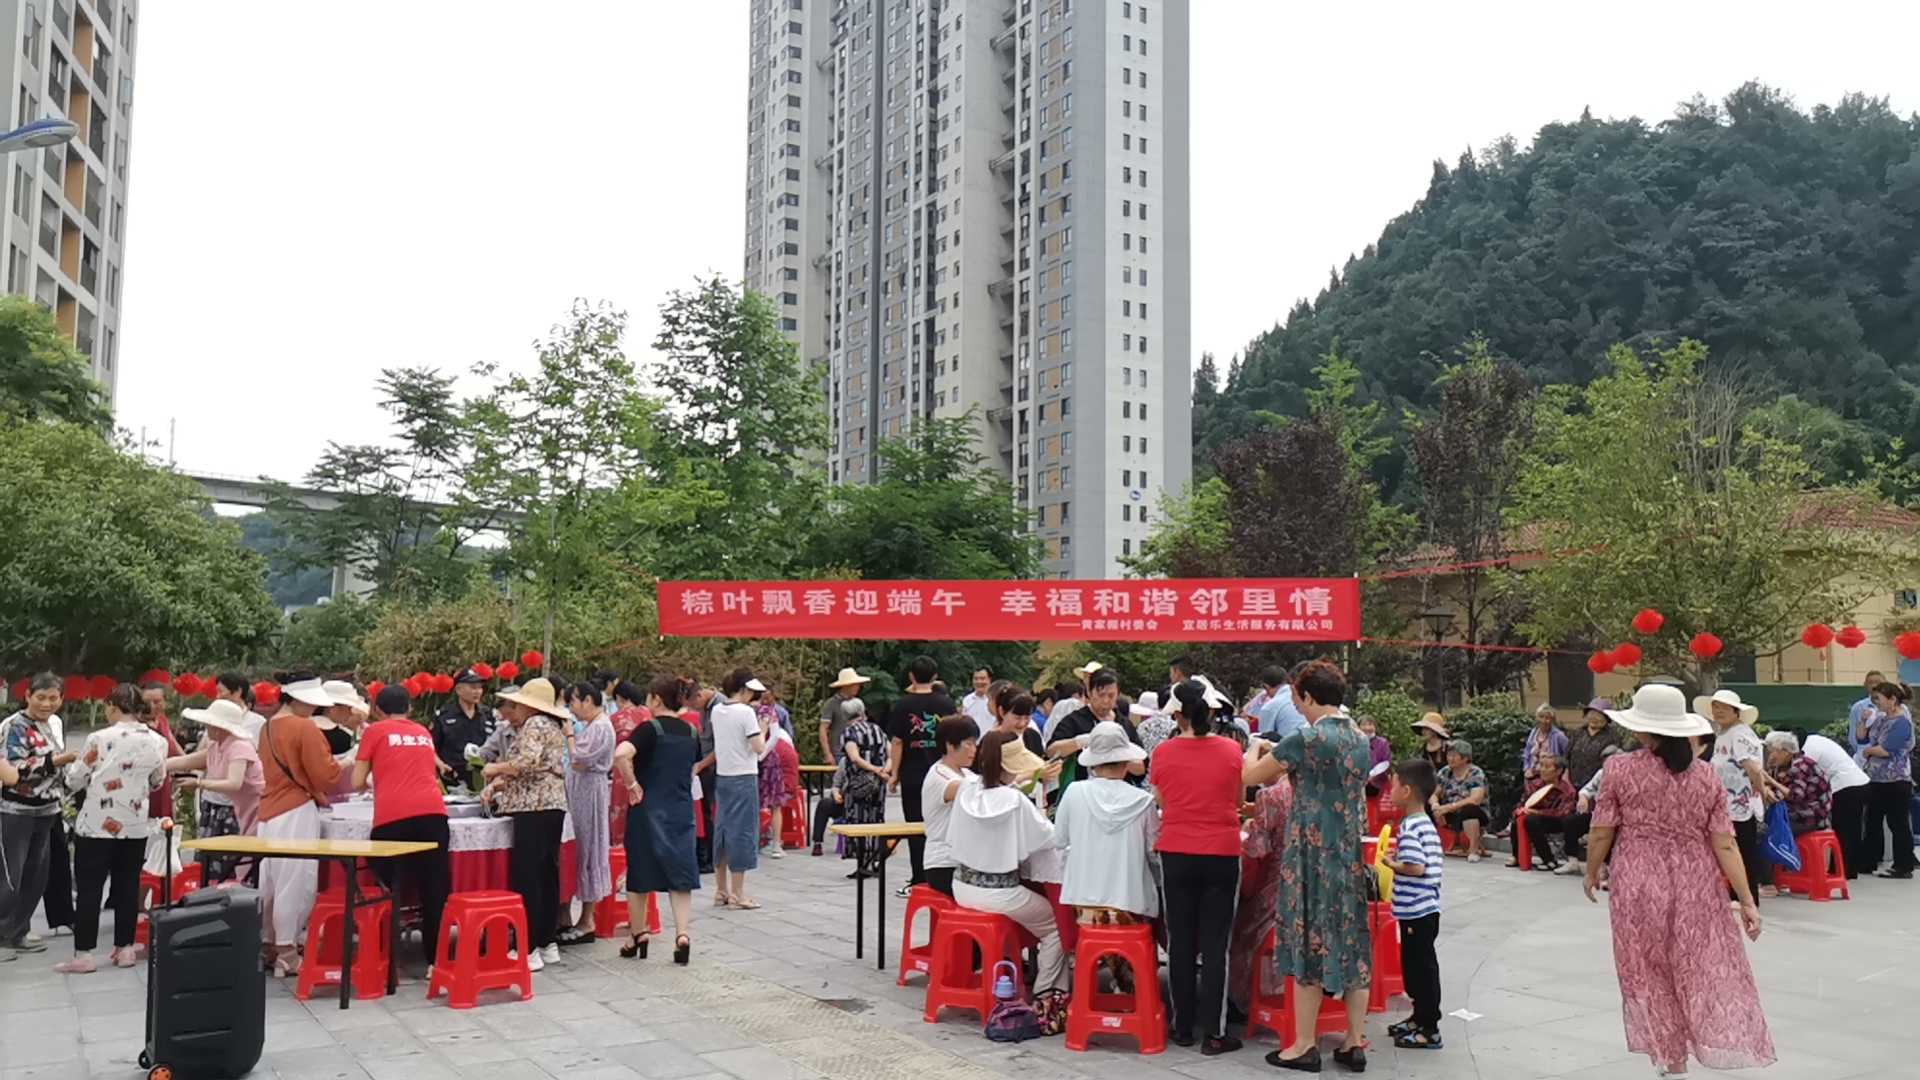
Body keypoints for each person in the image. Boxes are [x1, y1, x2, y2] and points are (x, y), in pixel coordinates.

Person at [1582, 684, 1773, 1076]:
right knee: (1693, 965)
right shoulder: (1706, 775)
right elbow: (1725, 844)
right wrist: (1746, 901)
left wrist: (1590, 872)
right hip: (1696, 881)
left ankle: (1671, 1056)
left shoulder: (1619, 768)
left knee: (1648, 967)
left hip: (1638, 879)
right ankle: (1688, 1046)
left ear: (1641, 728)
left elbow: (1601, 832)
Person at [1243, 661, 1373, 1073]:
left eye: (1298, 698)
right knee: (1352, 945)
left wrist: (1255, 747)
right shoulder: (1360, 738)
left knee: (1307, 947)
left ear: (1309, 696)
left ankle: (1303, 1045)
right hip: (1348, 855)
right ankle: (1353, 1042)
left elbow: (1252, 776)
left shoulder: (1306, 738)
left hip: (1309, 857)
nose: (1296, 705)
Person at [1146, 681, 1247, 1054]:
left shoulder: (1162, 752)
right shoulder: (1232, 749)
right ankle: (1216, 1033)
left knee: (1181, 941)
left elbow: (1161, 799)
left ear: (1177, 715)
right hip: (1221, 851)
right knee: (1217, 944)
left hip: (1176, 850)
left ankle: (1182, 1026)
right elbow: (1238, 800)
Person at [51, 684, 166, 974]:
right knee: (127, 886)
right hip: (135, 824)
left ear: (113, 706)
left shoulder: (99, 738)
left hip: (96, 824)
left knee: (90, 889)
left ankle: (83, 954)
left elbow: (75, 778)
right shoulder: (157, 741)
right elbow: (157, 780)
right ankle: (125, 948)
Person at [948, 731, 1068, 1001]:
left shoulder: (966, 788)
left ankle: (1015, 978)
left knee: (1028, 912)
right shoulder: (1015, 800)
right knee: (1056, 927)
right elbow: (1048, 838)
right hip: (1001, 893)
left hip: (962, 886)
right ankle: (1047, 994)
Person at [350, 685, 451, 967]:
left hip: (392, 817)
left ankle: (382, 957)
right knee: (433, 889)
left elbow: (357, 782)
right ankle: (435, 962)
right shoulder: (422, 732)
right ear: (409, 709)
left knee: (385, 888)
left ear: (376, 711)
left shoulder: (374, 731)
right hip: (433, 814)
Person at [481, 677, 571, 971]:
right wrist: (499, 784)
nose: (513, 711)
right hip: (553, 803)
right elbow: (540, 769)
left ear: (529, 706)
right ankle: (546, 942)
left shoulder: (534, 724)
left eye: (517, 705)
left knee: (528, 876)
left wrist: (494, 768)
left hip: (532, 808)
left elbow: (525, 763)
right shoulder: (554, 726)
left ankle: (527, 947)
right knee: (547, 875)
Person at [256, 677, 343, 975]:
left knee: (270, 879)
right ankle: (287, 949)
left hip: (269, 810)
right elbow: (324, 774)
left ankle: (268, 943)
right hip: (296, 807)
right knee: (296, 879)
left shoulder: (267, 726)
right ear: (300, 700)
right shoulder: (305, 727)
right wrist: (343, 764)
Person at [612, 675, 701, 965]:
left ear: (657, 700)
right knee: (681, 876)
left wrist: (632, 784)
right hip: (680, 810)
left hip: (648, 809)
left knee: (640, 873)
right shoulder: (691, 732)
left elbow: (621, 754)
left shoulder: (649, 729)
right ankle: (682, 934)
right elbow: (692, 767)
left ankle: (638, 934)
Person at [1054, 720, 1157, 919]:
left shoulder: (1074, 792)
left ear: (1093, 763)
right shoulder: (1143, 801)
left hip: (1082, 905)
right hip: (1131, 905)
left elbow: (1059, 840)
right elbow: (1153, 851)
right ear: (1126, 762)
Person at [167, 698, 264, 885]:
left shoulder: (240, 747)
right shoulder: (216, 746)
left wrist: (200, 783)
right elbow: (188, 761)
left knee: (244, 860)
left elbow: (234, 783)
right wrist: (160, 765)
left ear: (219, 727)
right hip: (242, 809)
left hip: (256, 809)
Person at [1384, 758, 1445, 1050]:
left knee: (1420, 970)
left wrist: (1392, 864)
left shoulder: (1409, 827)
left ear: (1406, 791)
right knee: (1416, 966)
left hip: (1417, 911)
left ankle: (1429, 1028)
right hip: (1425, 909)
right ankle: (1418, 1018)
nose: (1390, 791)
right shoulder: (1424, 822)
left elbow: (1416, 867)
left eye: (1393, 785)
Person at [1228, 758, 1294, 1025]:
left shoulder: (1271, 796)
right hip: (1313, 889)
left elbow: (1258, 849)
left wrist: (1251, 826)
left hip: (1278, 888)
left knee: (1238, 925)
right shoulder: (1319, 791)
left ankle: (1240, 998)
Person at [885, 656, 955, 895]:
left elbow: (897, 742)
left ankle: (918, 878)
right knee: (943, 826)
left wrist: (895, 773)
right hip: (943, 775)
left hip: (913, 774)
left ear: (911, 676)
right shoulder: (945, 704)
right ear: (935, 677)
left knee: (915, 827)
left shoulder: (903, 705)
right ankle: (942, 877)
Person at [1697, 689, 1774, 899]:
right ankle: (1736, 895)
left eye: (1725, 707)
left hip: (1741, 804)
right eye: (1716, 707)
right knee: (1734, 850)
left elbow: (1753, 768)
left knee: (1742, 852)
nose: (1719, 711)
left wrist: (1762, 791)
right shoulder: (1724, 733)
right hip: (1727, 804)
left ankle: (1746, 898)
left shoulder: (1740, 734)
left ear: (1736, 711)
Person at [557, 682, 615, 946]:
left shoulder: (601, 726)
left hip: (589, 792)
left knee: (589, 848)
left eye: (574, 702)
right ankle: (571, 917)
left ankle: (586, 920)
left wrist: (570, 735)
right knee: (579, 848)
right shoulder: (594, 725)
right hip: (581, 791)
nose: (572, 708)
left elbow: (579, 760)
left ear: (588, 700)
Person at [706, 669, 770, 908]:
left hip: (723, 776)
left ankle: (721, 890)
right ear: (743, 689)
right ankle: (738, 892)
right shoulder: (746, 713)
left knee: (722, 831)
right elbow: (758, 747)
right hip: (744, 776)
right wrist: (763, 729)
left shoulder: (717, 710)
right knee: (742, 833)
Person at [1855, 680, 1916, 879]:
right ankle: (1869, 860)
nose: (1877, 703)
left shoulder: (1902, 723)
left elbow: (1887, 750)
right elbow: (1862, 738)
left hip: (1895, 779)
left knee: (1897, 823)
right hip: (1876, 779)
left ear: (1893, 700)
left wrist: (1869, 752)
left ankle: (1903, 864)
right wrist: (1863, 722)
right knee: (1872, 820)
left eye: (1880, 699)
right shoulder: (1880, 719)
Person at [1797, 729, 1870, 879]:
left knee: (1841, 829)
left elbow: (1806, 776)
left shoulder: (1808, 751)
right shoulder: (1814, 739)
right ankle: (1850, 869)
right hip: (1860, 783)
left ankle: (1840, 868)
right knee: (1853, 829)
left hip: (1845, 786)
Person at [921, 717, 979, 897]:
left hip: (966, 862)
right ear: (950, 745)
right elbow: (967, 790)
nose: (974, 750)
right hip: (944, 865)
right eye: (969, 744)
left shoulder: (967, 773)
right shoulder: (939, 776)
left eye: (975, 744)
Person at [838, 697, 890, 876]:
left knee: (858, 822)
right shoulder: (877, 729)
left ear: (845, 716)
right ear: (862, 712)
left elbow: (854, 758)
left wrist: (874, 769)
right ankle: (876, 860)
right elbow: (891, 753)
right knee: (876, 819)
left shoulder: (849, 732)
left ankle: (862, 863)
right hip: (879, 783)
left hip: (858, 783)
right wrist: (884, 771)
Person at [1555, 745, 1625, 877]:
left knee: (1608, 829)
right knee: (1571, 822)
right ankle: (1572, 860)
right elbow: (1587, 789)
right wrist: (1583, 798)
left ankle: (1603, 864)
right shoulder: (1601, 773)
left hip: (1619, 818)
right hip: (1598, 814)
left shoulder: (1627, 776)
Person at [1510, 753, 1578, 870]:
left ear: (1558, 771)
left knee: (1531, 820)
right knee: (1519, 820)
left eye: (1547, 767)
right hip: (1533, 818)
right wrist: (1519, 810)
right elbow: (1522, 803)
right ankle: (1517, 856)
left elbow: (1563, 812)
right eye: (1541, 766)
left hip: (1556, 821)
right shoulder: (1534, 786)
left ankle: (1548, 859)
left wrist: (1537, 812)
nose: (1542, 769)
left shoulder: (1568, 790)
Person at [433, 668, 497, 790]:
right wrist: (440, 765)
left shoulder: (488, 715)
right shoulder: (444, 716)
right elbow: (431, 747)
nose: (477, 691)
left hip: (484, 779)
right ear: (459, 690)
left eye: (479, 687)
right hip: (452, 780)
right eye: (472, 687)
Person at [607, 680, 652, 848]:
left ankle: (619, 847)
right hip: (647, 768)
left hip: (622, 769)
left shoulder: (615, 719)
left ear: (619, 698)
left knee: (620, 810)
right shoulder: (648, 714)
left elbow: (610, 751)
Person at [1432, 740, 1491, 861]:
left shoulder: (1475, 773)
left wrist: (1450, 807)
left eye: (1454, 756)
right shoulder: (1445, 772)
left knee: (1470, 811)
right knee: (1424, 805)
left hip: (1474, 811)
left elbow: (1475, 799)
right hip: (1448, 811)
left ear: (1465, 758)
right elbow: (1434, 794)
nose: (1450, 759)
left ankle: (1473, 850)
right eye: (1449, 755)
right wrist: (1435, 806)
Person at [1762, 731, 1830, 838]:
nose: (1770, 757)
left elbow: (1795, 796)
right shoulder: (1799, 761)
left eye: (1772, 752)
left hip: (1810, 818)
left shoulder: (1798, 766)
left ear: (1785, 751)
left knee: (1764, 829)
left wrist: (1772, 782)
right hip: (1812, 814)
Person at [138, 682, 185, 823]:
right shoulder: (136, 725)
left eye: (157, 701)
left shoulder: (162, 719)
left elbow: (172, 741)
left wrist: (188, 763)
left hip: (164, 781)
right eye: (146, 702)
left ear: (164, 701)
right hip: (144, 784)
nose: (152, 706)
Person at [756, 691, 793, 858]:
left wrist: (759, 755)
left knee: (772, 804)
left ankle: (772, 843)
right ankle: (772, 844)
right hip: (763, 758)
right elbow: (775, 735)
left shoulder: (751, 710)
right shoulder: (766, 711)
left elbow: (775, 735)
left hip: (760, 758)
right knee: (772, 804)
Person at [1564, 698, 1623, 791]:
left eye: (1598, 715)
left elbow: (1614, 764)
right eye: (1591, 713)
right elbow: (1566, 756)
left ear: (1606, 718)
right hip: (1573, 784)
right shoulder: (1578, 734)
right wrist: (1565, 776)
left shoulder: (1613, 737)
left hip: (1597, 787)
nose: (1594, 718)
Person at [1256, 661, 1310, 740]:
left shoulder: (1269, 707)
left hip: (1288, 745)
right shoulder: (1302, 697)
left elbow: (1264, 741)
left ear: (1267, 687)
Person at [1522, 704, 1569, 780]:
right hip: (1531, 775)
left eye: (1547, 718)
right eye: (1541, 717)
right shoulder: (1534, 732)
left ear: (1553, 720)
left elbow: (1568, 755)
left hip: (1549, 777)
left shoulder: (1559, 736)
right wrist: (1526, 768)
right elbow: (1527, 752)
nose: (1543, 721)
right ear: (1536, 718)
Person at [1847, 671, 1885, 754]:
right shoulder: (1858, 708)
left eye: (1878, 682)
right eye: (1870, 683)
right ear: (1865, 685)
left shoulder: (1896, 707)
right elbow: (1853, 739)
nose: (1874, 685)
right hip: (1864, 757)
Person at [1358, 714, 1392, 800]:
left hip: (1376, 784)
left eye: (1370, 724)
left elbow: (1385, 763)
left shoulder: (1382, 743)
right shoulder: (1354, 742)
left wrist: (1370, 779)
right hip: (1357, 783)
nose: (1367, 728)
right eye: (1363, 725)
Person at [960, 667, 995, 739]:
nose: (979, 682)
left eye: (982, 679)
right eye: (976, 679)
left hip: (990, 740)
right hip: (972, 741)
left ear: (989, 680)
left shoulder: (995, 699)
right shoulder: (967, 700)